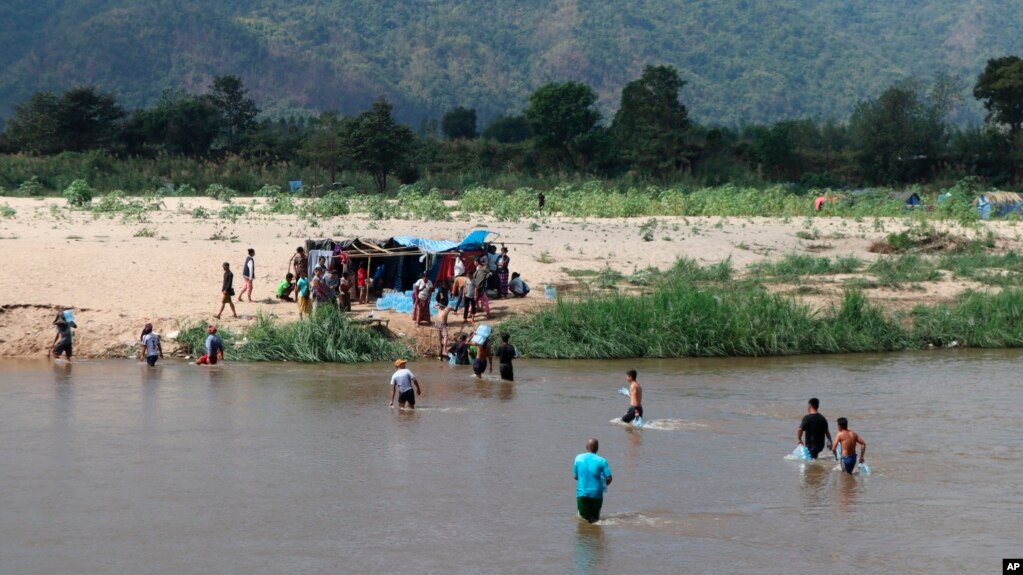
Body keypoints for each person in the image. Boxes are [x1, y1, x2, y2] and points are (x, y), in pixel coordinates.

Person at [574, 438, 612, 524]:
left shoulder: (578, 458)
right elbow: (609, 478)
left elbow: (575, 477)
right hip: (597, 494)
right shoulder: (602, 461)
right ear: (597, 448)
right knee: (595, 521)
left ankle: (586, 537)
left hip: (582, 493)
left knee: (584, 521)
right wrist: (602, 487)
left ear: (586, 447)